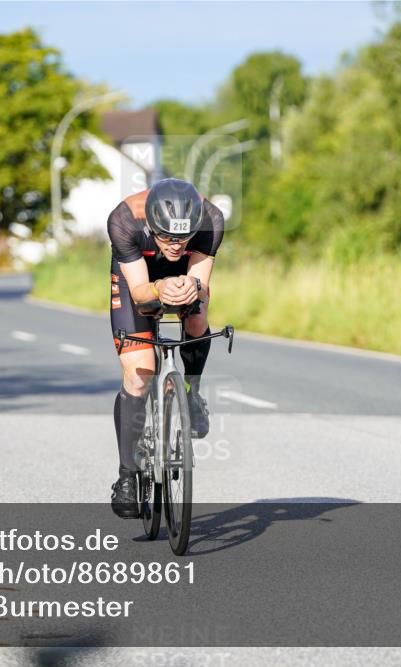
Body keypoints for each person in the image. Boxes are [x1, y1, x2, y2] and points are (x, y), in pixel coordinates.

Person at [107, 178, 224, 518]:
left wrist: (192, 287)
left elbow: (202, 281)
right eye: (168, 237)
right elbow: (141, 293)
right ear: (151, 224)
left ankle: (192, 393)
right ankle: (127, 476)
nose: (176, 245)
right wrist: (159, 289)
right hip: (141, 279)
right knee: (140, 373)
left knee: (198, 322)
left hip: (183, 277)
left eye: (183, 237)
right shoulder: (124, 220)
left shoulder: (210, 219)